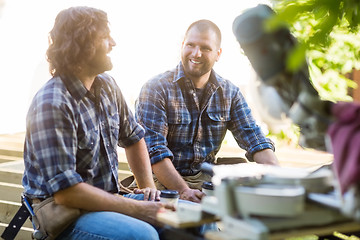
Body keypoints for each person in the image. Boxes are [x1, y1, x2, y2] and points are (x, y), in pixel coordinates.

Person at [22, 6, 173, 240]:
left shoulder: (107, 86)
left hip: (108, 199)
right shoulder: (52, 103)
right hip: (65, 215)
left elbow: (133, 138)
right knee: (142, 235)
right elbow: (66, 193)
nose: (113, 43)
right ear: (82, 45)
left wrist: (148, 191)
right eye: (105, 37)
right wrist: (139, 209)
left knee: (188, 221)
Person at [135, 19, 279, 203]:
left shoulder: (230, 93)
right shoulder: (156, 88)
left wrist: (281, 179)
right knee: (201, 225)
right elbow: (154, 152)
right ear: (182, 46)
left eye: (205, 48)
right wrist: (184, 191)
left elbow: (255, 140)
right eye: (190, 45)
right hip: (161, 183)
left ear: (218, 54)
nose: (196, 53)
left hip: (207, 183)